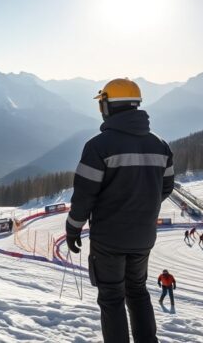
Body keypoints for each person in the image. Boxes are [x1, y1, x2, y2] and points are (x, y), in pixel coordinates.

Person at [64, 78, 174, 342]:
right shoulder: (160, 145)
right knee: (137, 292)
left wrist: (73, 227)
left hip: (109, 238)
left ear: (109, 106)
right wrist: (141, 208)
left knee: (112, 297)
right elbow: (166, 188)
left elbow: (84, 195)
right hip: (143, 237)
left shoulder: (99, 146)